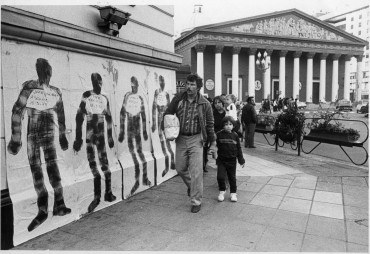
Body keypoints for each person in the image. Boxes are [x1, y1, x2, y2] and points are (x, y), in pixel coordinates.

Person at [8, 58, 71, 232]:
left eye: (46, 71)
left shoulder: (52, 91)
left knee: (49, 170)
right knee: (40, 172)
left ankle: (57, 204)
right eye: (44, 71)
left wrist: (62, 136)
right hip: (34, 136)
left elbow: (62, 116)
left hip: (41, 136)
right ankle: (46, 208)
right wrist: (16, 138)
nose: (46, 74)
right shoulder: (31, 88)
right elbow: (17, 111)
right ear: (44, 72)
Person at [163, 73, 216, 213]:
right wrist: (169, 126)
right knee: (180, 168)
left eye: (192, 84)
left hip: (196, 139)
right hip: (180, 138)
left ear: (198, 87)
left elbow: (210, 125)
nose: (189, 87)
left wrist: (213, 143)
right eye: (187, 83)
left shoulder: (205, 104)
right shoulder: (179, 99)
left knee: (197, 171)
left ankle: (196, 201)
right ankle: (192, 187)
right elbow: (168, 113)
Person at [73, 73, 116, 213]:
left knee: (104, 162)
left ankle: (108, 192)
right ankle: (97, 197)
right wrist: (78, 138)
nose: (98, 84)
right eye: (96, 82)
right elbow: (79, 117)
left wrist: (110, 136)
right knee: (93, 164)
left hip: (101, 133)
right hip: (90, 132)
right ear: (92, 82)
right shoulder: (87, 95)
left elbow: (109, 118)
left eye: (100, 82)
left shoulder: (104, 98)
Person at [119, 76, 151, 196]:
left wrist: (144, 131)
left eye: (135, 85)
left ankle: (144, 177)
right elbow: (122, 113)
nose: (134, 87)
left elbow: (143, 115)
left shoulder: (140, 98)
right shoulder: (127, 96)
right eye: (132, 85)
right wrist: (122, 131)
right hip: (129, 128)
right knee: (133, 153)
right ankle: (138, 180)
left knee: (140, 152)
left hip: (137, 128)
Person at [216, 116, 245, 202]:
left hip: (232, 160)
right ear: (223, 125)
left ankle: (233, 193)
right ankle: (222, 191)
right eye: (226, 124)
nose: (228, 126)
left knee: (232, 178)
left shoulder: (235, 135)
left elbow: (239, 148)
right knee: (220, 177)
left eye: (230, 124)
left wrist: (241, 160)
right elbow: (214, 144)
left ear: (233, 125)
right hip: (221, 160)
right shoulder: (219, 134)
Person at [151, 75, 175, 177]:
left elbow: (170, 108)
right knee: (162, 143)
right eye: (161, 81)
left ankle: (172, 162)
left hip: (166, 120)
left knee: (168, 142)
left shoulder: (166, 94)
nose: (162, 83)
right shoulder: (157, 92)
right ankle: (166, 165)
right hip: (160, 119)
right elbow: (153, 107)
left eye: (163, 81)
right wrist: (153, 122)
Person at [203, 96, 226, 173]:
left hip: (223, 134)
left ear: (223, 103)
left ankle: (220, 164)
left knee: (221, 151)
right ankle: (204, 164)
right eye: (215, 103)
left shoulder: (227, 113)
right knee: (206, 149)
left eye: (219, 102)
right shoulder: (212, 113)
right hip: (213, 133)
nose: (217, 104)